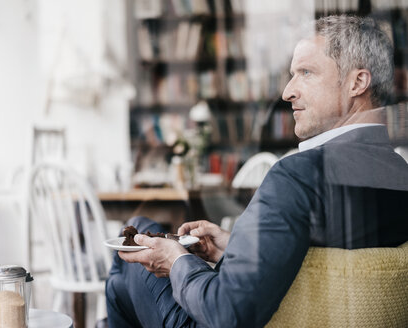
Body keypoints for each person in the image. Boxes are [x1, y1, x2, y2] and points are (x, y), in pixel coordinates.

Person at [106, 15, 408, 328]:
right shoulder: (400, 176)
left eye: (306, 72)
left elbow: (227, 312)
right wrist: (234, 246)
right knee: (119, 285)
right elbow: (323, 268)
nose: (287, 92)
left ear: (357, 83)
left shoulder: (299, 176)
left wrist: (175, 260)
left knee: (132, 237)